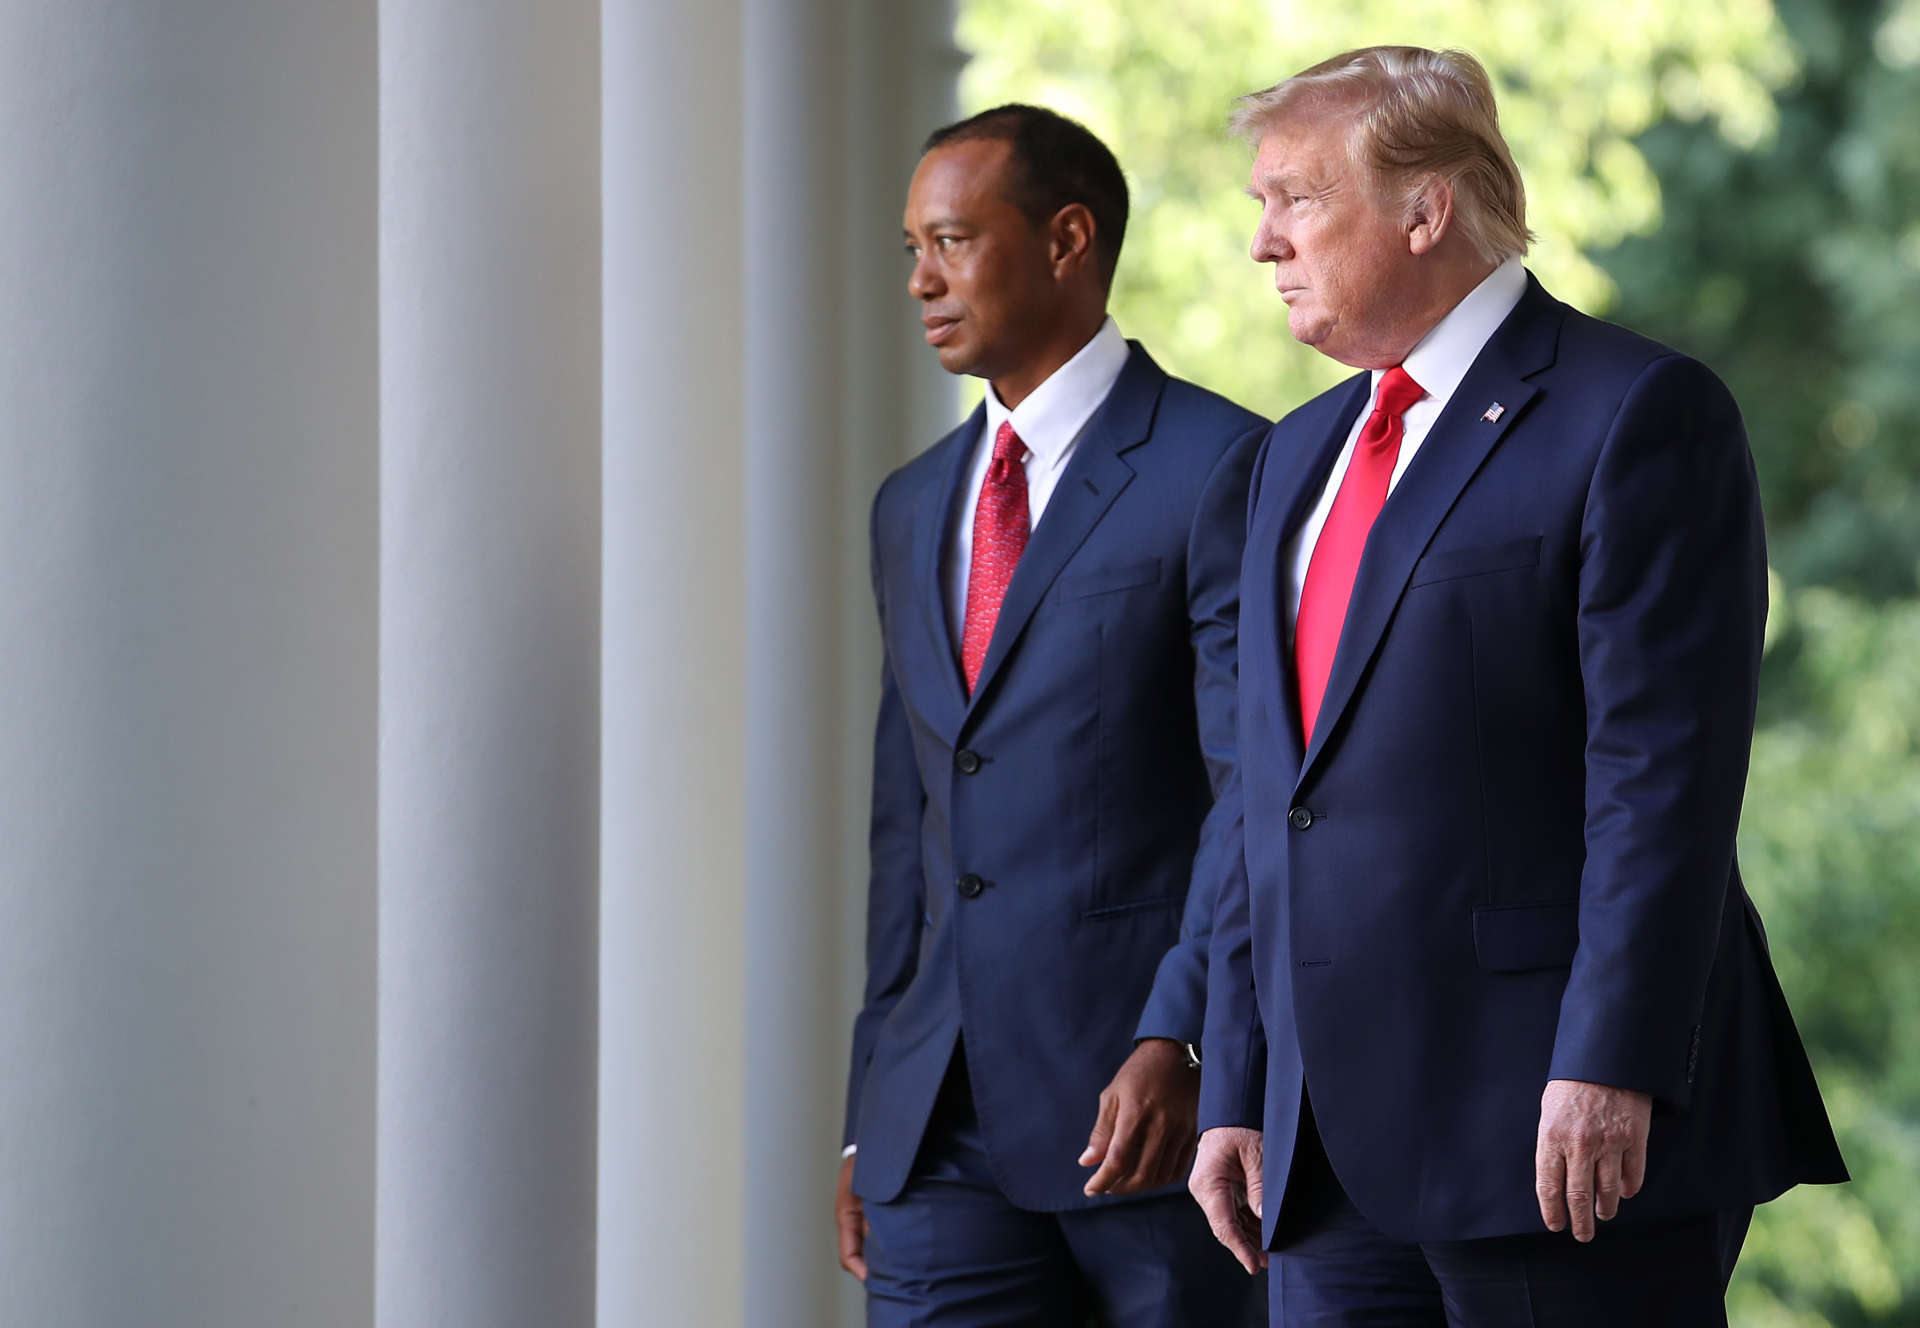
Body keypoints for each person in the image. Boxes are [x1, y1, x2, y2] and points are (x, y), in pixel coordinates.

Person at [1187, 46, 1847, 1325]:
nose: (1263, 244)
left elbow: (1663, 782)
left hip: (1558, 1137)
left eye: (1295, 199)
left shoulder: (1639, 412)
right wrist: (1240, 1080)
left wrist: (1611, 1061)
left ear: (1425, 208)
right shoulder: (1291, 459)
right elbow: (1266, 796)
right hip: (1321, 1160)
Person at [835, 103, 1267, 1325]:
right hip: (938, 1126)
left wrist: (1182, 1036)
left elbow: (1251, 790)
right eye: (913, 246)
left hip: (1145, 1118)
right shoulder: (912, 505)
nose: (921, 278)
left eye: (955, 240)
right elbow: (905, 819)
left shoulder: (1223, 464)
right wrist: (874, 1111)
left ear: (1069, 238)